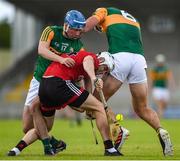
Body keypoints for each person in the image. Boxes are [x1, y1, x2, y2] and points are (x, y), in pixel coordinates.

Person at [84, 7, 173, 156]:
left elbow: (87, 25)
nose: (101, 29)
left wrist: (75, 29)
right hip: (139, 60)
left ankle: (119, 131)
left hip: (121, 57)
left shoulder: (104, 10)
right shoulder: (132, 19)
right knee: (142, 108)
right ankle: (160, 130)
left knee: (94, 102)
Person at [7, 10, 86, 156]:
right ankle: (53, 143)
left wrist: (84, 91)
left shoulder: (78, 46)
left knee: (38, 114)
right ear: (66, 26)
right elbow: (41, 50)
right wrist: (61, 59)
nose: (77, 33)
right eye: (75, 29)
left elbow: (80, 70)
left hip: (53, 84)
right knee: (27, 127)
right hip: (38, 80)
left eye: (80, 30)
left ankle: (45, 148)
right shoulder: (50, 31)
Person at [33, 50, 121, 156]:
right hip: (59, 83)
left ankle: (44, 147)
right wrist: (94, 78)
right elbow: (88, 61)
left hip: (45, 85)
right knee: (99, 107)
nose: (103, 72)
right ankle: (109, 148)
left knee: (47, 127)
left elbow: (87, 88)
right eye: (105, 69)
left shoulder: (85, 68)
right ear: (102, 61)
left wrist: (89, 106)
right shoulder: (93, 58)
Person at [149, 54, 175, 118]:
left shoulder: (166, 69)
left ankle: (159, 114)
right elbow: (151, 79)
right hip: (157, 88)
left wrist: (172, 85)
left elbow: (170, 78)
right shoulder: (154, 70)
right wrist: (149, 88)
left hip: (164, 89)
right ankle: (160, 117)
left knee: (165, 104)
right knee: (160, 104)